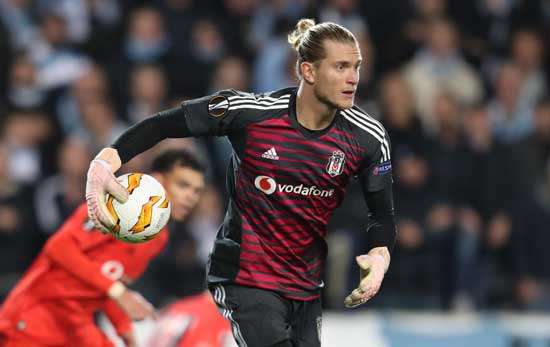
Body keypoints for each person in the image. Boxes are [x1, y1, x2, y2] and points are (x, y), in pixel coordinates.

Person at [86, 19, 396, 347]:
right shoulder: (252, 114)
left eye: (356, 67)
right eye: (341, 66)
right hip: (243, 276)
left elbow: (382, 212)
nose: (353, 78)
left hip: (304, 285)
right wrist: (105, 162)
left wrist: (379, 253)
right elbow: (165, 124)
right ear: (309, 71)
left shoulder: (368, 138)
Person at [0, 150, 206, 347]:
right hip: (34, 319)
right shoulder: (116, 206)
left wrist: (124, 329)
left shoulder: (157, 238)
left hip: (72, 327)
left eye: (196, 191)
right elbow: (59, 248)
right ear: (158, 181)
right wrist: (117, 292)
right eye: (183, 185)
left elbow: (106, 285)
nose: (190, 197)